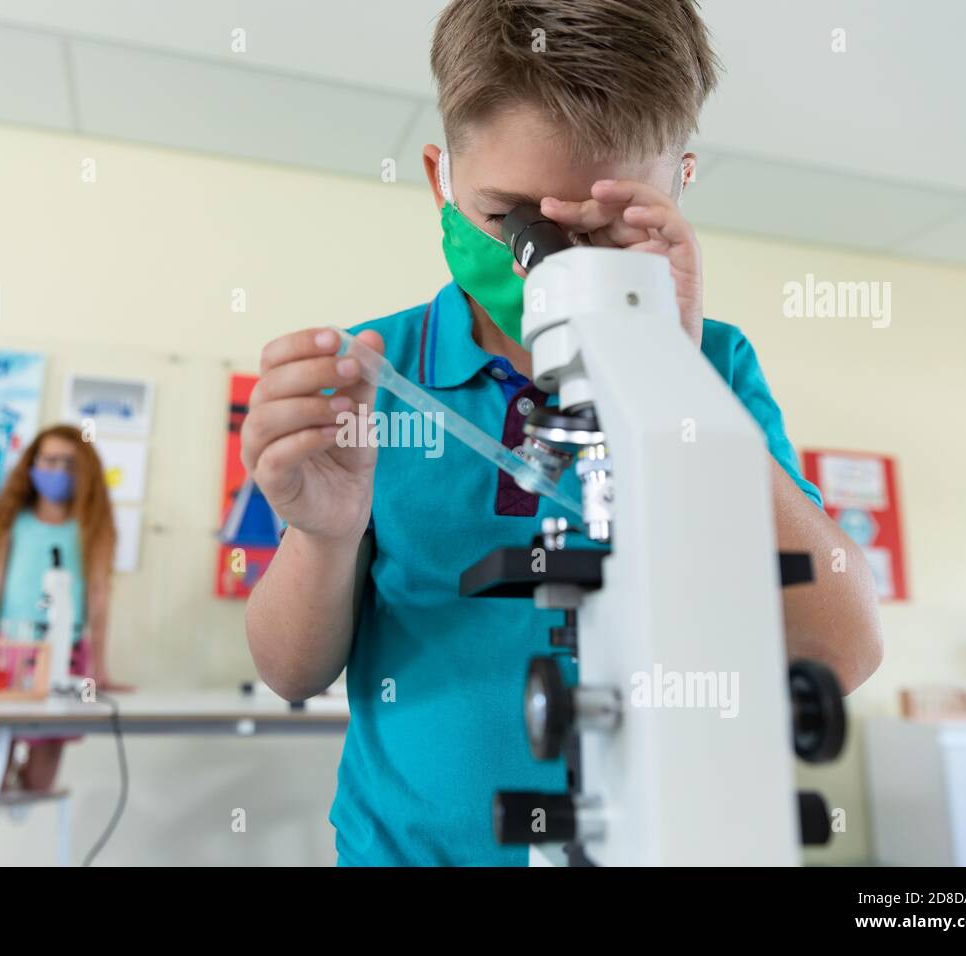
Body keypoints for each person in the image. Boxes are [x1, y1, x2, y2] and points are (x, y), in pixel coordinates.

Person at [242, 0, 883, 865]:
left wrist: (672, 377)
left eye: (600, 227)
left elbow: (839, 650)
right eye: (512, 219)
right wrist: (325, 536)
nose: (546, 261)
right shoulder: (375, 372)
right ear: (440, 177)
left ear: (678, 188)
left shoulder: (711, 369)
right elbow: (291, 673)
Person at [0, 423, 125, 791]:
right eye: (50, 461)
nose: (58, 471)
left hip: (65, 654)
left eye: (69, 463)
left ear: (84, 470)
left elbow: (99, 594)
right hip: (7, 651)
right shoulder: (13, 522)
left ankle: (24, 788)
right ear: (33, 464)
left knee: (42, 778)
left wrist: (100, 667)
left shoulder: (91, 526)